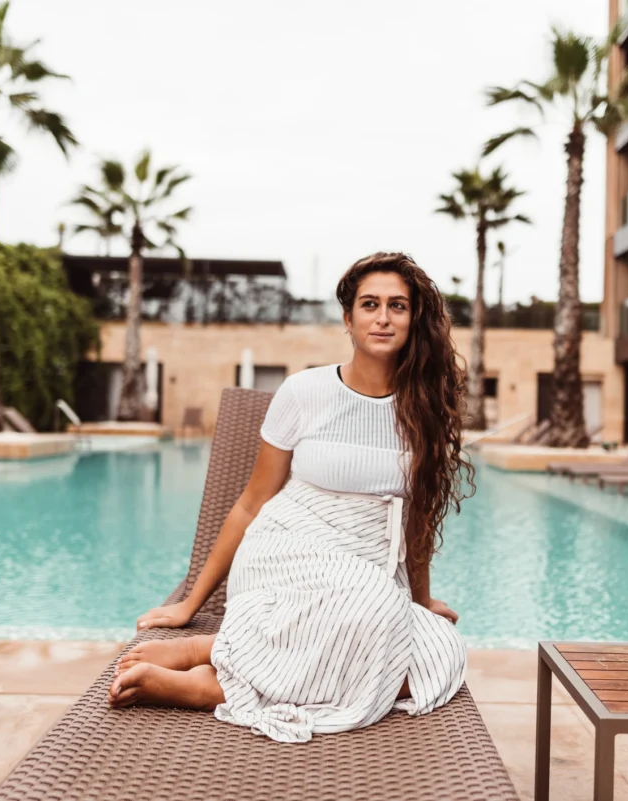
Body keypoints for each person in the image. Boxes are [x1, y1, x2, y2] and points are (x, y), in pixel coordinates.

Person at [107, 251, 475, 743]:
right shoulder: (303, 392)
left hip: (368, 569)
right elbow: (252, 501)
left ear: (415, 319)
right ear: (348, 318)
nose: (383, 318)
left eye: (398, 306)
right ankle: (205, 669)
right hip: (288, 547)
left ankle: (215, 668)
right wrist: (190, 600)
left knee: (438, 656)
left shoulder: (425, 408)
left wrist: (422, 599)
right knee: (376, 611)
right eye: (369, 305)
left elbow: (419, 520)